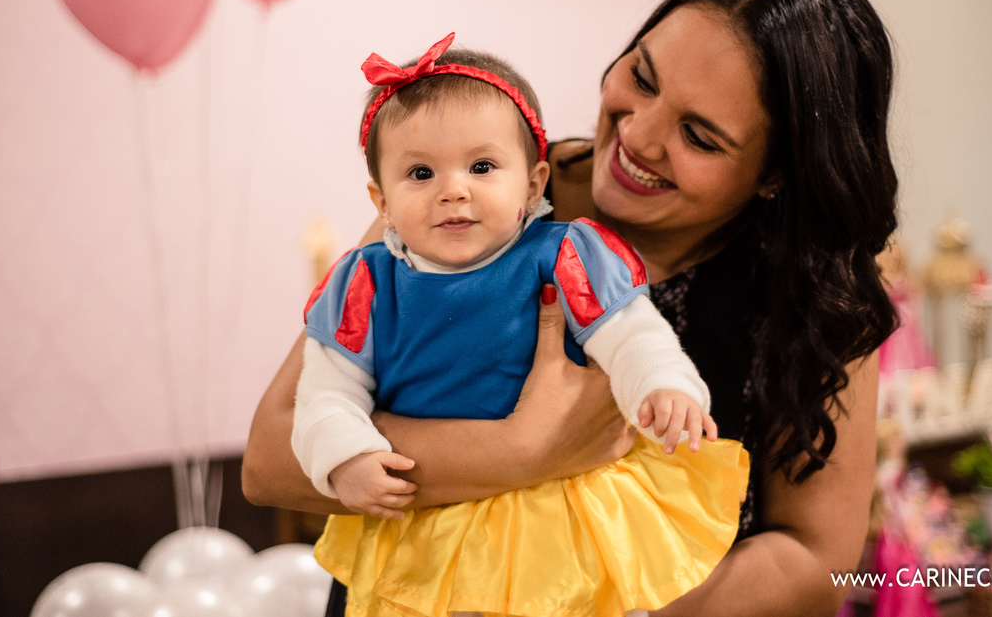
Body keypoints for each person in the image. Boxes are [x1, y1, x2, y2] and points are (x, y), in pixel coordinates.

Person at [243, 0, 897, 617]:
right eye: (641, 76)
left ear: (775, 174)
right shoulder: (478, 196)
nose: (637, 134)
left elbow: (817, 560)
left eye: (698, 135)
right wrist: (520, 450)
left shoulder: (817, 295)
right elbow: (270, 458)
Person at [294, 32, 747, 616]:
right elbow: (324, 394)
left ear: (532, 185)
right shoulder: (365, 283)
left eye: (482, 166)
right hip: (432, 514)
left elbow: (632, 333)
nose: (453, 190)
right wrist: (345, 456)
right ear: (381, 202)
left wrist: (663, 386)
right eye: (421, 174)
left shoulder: (564, 255)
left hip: (554, 508)